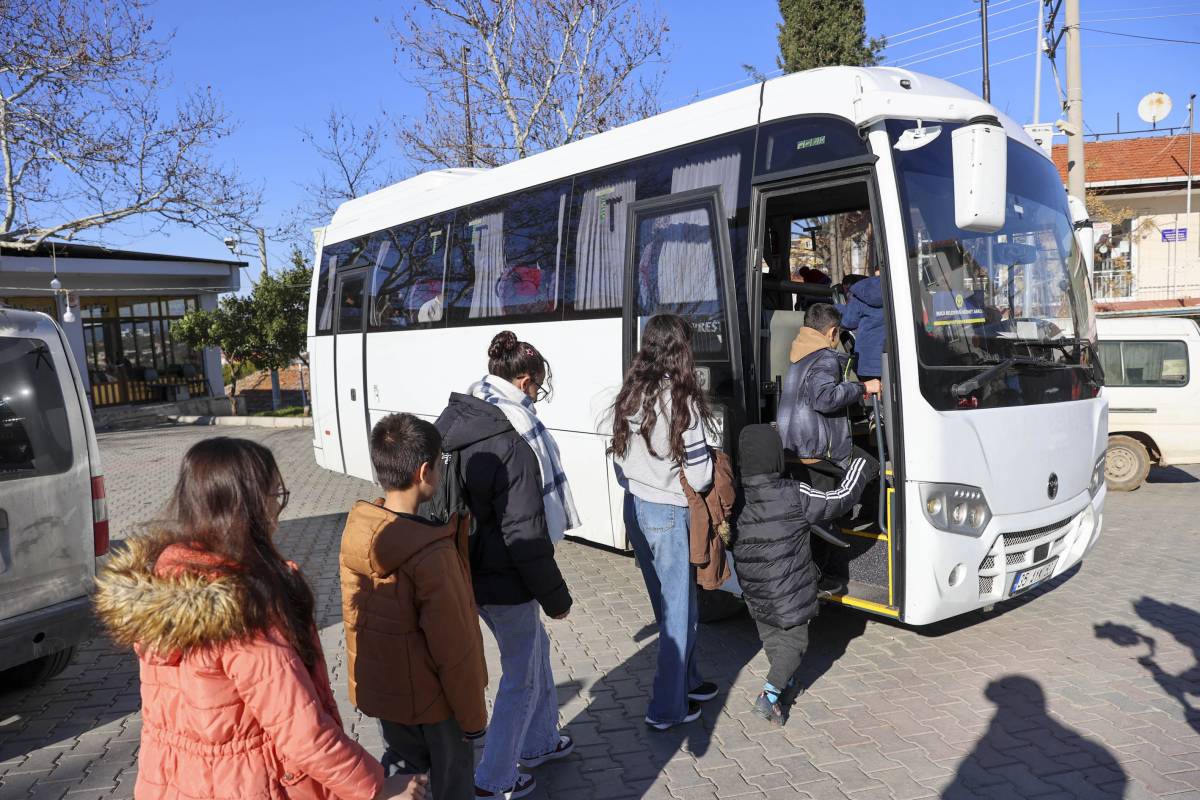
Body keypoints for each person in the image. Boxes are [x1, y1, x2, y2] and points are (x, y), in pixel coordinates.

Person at [93, 437, 425, 800]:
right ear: (247, 506)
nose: (278, 508)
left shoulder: (162, 582)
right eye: (274, 495)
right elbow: (303, 732)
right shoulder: (243, 611)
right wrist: (377, 787)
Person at [434, 331, 576, 800]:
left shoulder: (457, 416)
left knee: (536, 652)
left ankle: (540, 742)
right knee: (522, 675)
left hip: (462, 568)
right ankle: (494, 778)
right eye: (537, 386)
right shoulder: (513, 440)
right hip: (504, 580)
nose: (537, 395)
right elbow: (524, 533)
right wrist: (555, 597)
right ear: (522, 380)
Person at [340, 413, 488, 800]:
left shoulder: (358, 531)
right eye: (439, 464)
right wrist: (473, 719)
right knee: (453, 785)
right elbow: (455, 650)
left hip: (388, 698)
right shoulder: (431, 553)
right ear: (425, 472)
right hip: (437, 706)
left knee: (405, 782)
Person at [608, 313, 720, 731]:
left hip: (636, 507)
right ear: (680, 348)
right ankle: (666, 708)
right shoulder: (681, 398)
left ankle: (688, 681)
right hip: (669, 512)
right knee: (678, 613)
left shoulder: (631, 392)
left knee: (668, 605)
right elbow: (701, 474)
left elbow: (619, 459)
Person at [732, 425, 878, 725]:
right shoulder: (792, 493)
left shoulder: (740, 495)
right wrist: (861, 466)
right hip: (787, 587)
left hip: (753, 586)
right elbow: (838, 498)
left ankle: (786, 685)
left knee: (773, 636)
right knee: (794, 642)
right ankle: (769, 695)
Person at [778, 303, 880, 471]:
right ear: (832, 332)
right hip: (816, 450)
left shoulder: (801, 355)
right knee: (871, 468)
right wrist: (864, 387)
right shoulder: (825, 358)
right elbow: (825, 399)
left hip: (793, 446)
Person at [837, 271, 885, 383]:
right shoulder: (897, 288)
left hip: (868, 361)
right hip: (896, 359)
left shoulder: (861, 293)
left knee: (872, 391)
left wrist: (838, 308)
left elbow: (848, 322)